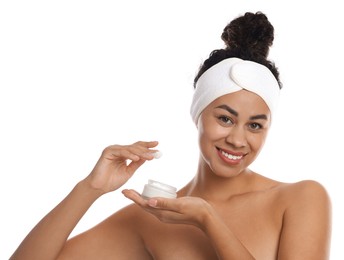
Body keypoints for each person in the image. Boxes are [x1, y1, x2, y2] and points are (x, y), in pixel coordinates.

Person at [10, 11, 331, 260]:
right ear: (199, 115)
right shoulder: (153, 216)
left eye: (255, 125)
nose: (237, 139)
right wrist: (89, 188)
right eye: (225, 118)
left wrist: (209, 220)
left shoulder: (301, 199)